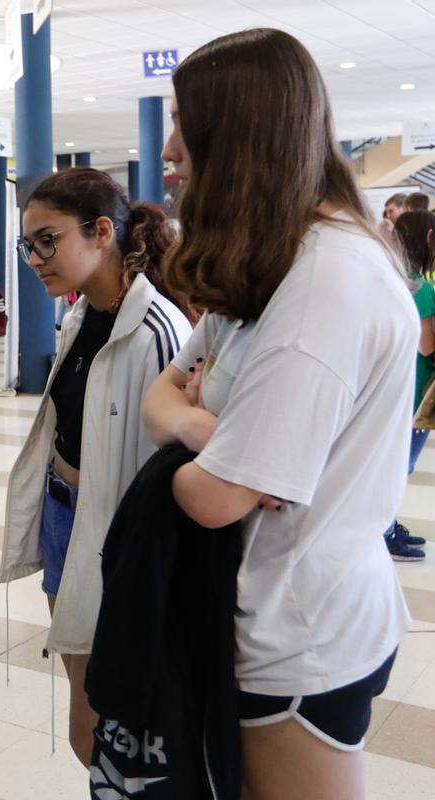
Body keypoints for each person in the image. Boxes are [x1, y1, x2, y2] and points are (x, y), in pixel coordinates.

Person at [141, 29, 412, 800]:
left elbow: (215, 498)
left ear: (240, 134)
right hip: (285, 609)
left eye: (184, 123)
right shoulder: (279, 264)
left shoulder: (322, 288)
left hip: (300, 632)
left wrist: (201, 457)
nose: (169, 147)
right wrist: (205, 431)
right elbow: (161, 397)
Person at [0, 167, 193, 769]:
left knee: (97, 723)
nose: (34, 258)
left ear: (102, 231)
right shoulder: (79, 316)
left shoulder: (160, 331)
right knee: (83, 697)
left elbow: (168, 470)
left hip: (115, 537)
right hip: (64, 521)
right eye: (27, 244)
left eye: (47, 240)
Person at [384, 209, 435, 560]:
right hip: (417, 394)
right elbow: (426, 345)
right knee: (402, 465)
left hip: (393, 388)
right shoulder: (423, 287)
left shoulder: (390, 277)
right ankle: (385, 529)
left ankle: (387, 524)